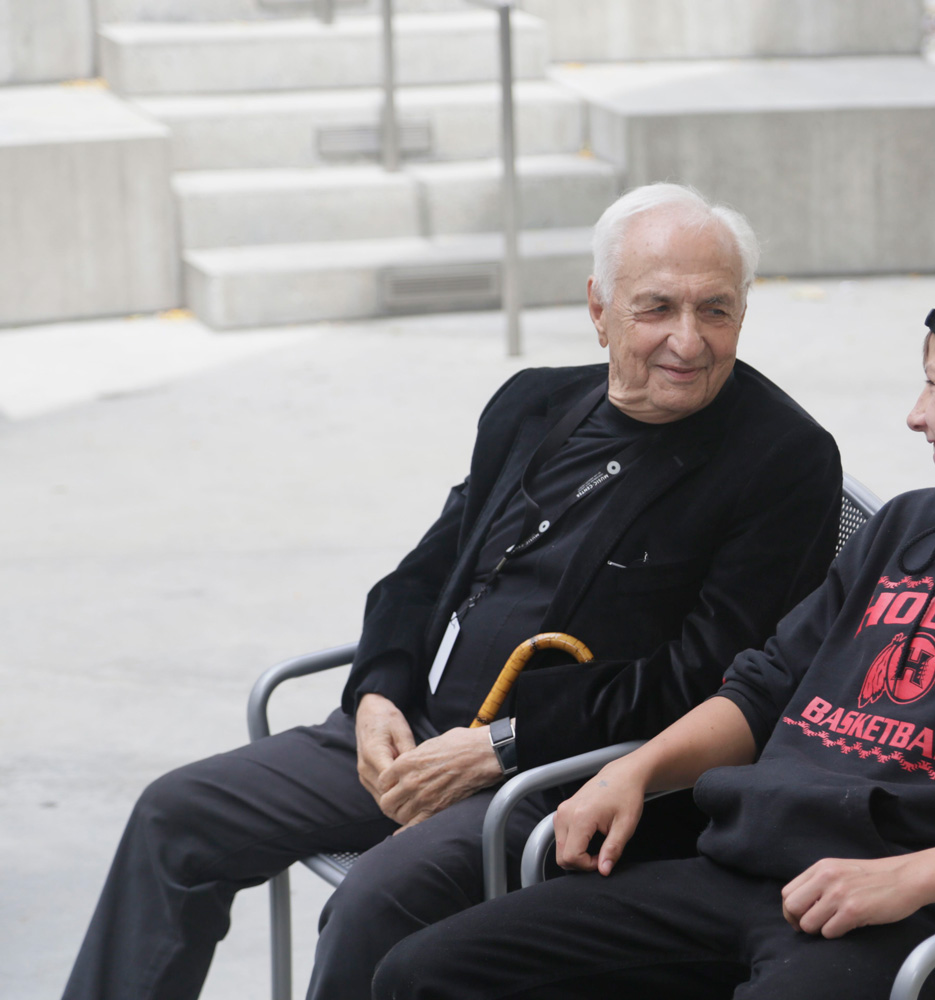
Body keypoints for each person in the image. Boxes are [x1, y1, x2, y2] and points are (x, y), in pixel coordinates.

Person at [372, 254, 935, 1000]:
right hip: (740, 874)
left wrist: (907, 878)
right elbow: (763, 687)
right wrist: (637, 770)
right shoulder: (908, 528)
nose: (915, 414)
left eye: (933, 381)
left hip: (919, 934)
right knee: (422, 975)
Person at [63, 183, 843, 1000]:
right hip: (424, 729)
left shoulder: (781, 460)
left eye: (715, 310)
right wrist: (377, 692)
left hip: (562, 781)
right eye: (656, 308)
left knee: (375, 904)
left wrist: (501, 747)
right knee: (175, 815)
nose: (688, 340)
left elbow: (706, 681)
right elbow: (424, 572)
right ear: (599, 308)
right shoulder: (533, 403)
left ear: (744, 313)